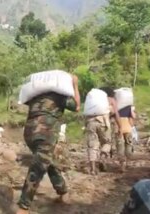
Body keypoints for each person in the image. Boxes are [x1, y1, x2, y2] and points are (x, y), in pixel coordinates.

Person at [16, 74, 80, 214]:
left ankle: (62, 191)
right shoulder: (59, 96)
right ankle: (23, 207)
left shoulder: (36, 97)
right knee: (37, 168)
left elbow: (25, 102)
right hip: (45, 133)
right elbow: (76, 107)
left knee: (48, 162)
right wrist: (75, 84)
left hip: (29, 133)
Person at [84, 89, 113, 175]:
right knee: (107, 142)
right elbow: (112, 111)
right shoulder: (106, 101)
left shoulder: (90, 104)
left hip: (90, 122)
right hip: (103, 122)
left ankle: (93, 169)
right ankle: (102, 157)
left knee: (92, 145)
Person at [99, 87, 122, 158]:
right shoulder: (111, 100)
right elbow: (116, 114)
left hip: (95, 122)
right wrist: (120, 126)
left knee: (98, 141)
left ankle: (96, 157)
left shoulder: (98, 100)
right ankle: (104, 155)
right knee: (108, 141)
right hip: (107, 123)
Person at [117, 104, 136, 172]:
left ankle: (122, 165)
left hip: (119, 128)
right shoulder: (129, 107)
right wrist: (133, 128)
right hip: (128, 128)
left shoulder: (116, 106)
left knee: (120, 147)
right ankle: (127, 161)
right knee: (128, 145)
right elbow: (132, 117)